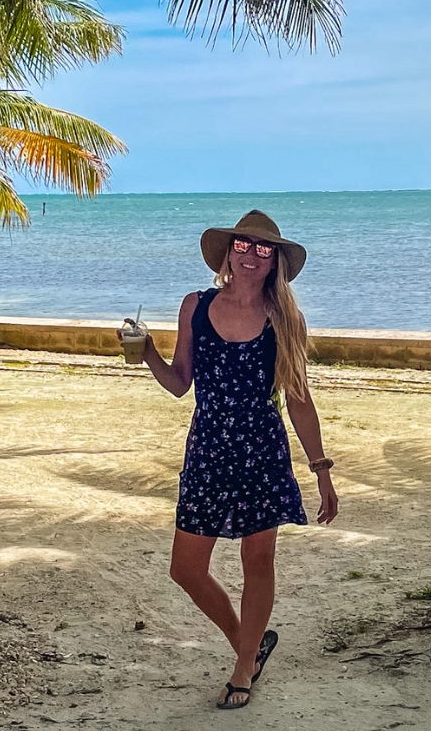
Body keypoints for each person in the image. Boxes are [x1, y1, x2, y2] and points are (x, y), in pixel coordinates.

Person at [117, 209, 339, 709]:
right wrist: (148, 352)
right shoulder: (195, 306)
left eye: (264, 249)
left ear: (276, 260)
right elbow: (180, 384)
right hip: (208, 450)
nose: (252, 255)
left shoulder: (285, 318)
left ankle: (243, 670)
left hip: (262, 449)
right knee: (186, 569)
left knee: (257, 561)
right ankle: (251, 642)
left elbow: (299, 398)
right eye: (244, 245)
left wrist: (321, 471)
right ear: (228, 252)